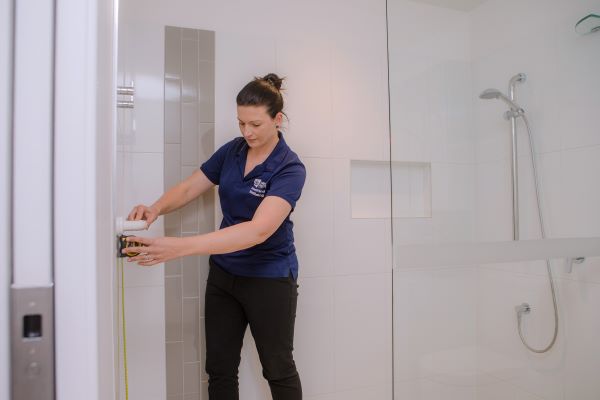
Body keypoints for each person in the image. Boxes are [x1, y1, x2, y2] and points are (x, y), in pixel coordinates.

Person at [124, 73, 306, 400]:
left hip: (269, 278)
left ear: (277, 120)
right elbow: (191, 186)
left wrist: (178, 247)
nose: (246, 132)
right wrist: (155, 209)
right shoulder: (232, 152)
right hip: (224, 276)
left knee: (277, 369)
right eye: (240, 123)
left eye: (255, 124)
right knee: (219, 368)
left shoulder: (290, 168)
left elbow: (258, 229)